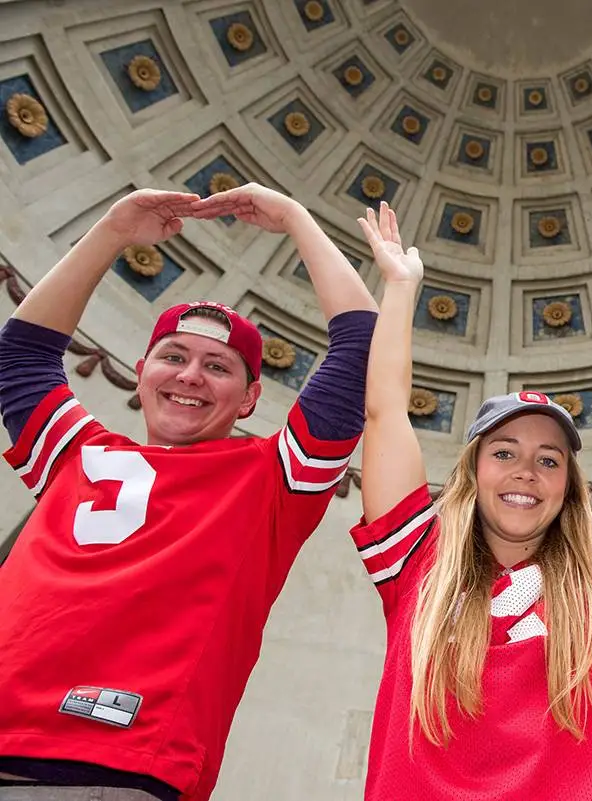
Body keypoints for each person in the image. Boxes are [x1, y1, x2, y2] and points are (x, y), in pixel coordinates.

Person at [0, 185, 378, 801]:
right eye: (172, 357)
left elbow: (360, 346)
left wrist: (298, 218)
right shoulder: (77, 453)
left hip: (115, 768)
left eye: (218, 366)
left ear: (250, 398)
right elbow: (22, 354)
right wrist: (112, 232)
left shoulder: (272, 479)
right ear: (144, 372)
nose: (189, 376)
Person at [349, 203, 592, 800]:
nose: (527, 471)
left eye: (549, 459)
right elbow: (383, 413)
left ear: (569, 484)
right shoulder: (414, 560)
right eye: (504, 452)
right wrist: (400, 290)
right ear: (473, 470)